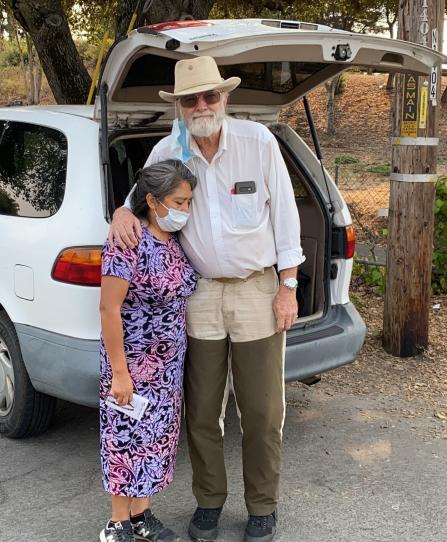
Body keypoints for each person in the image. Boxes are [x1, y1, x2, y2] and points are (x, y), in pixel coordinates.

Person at [110, 56, 304, 542]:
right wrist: (118, 210)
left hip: (258, 290)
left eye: (208, 96)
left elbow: (286, 215)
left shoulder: (257, 143)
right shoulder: (166, 152)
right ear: (178, 106)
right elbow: (138, 203)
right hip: (198, 295)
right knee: (201, 411)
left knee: (261, 411)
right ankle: (209, 502)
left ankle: (262, 506)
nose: (201, 105)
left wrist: (288, 286)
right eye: (190, 99)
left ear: (225, 98)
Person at [99, 160, 199, 542]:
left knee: (155, 440)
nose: (185, 211)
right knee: (125, 439)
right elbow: (109, 309)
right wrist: (120, 371)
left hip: (167, 368)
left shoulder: (171, 242)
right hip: (132, 365)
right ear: (152, 200)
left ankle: (142, 515)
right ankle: (116, 523)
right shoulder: (127, 241)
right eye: (179, 201)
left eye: (189, 202)